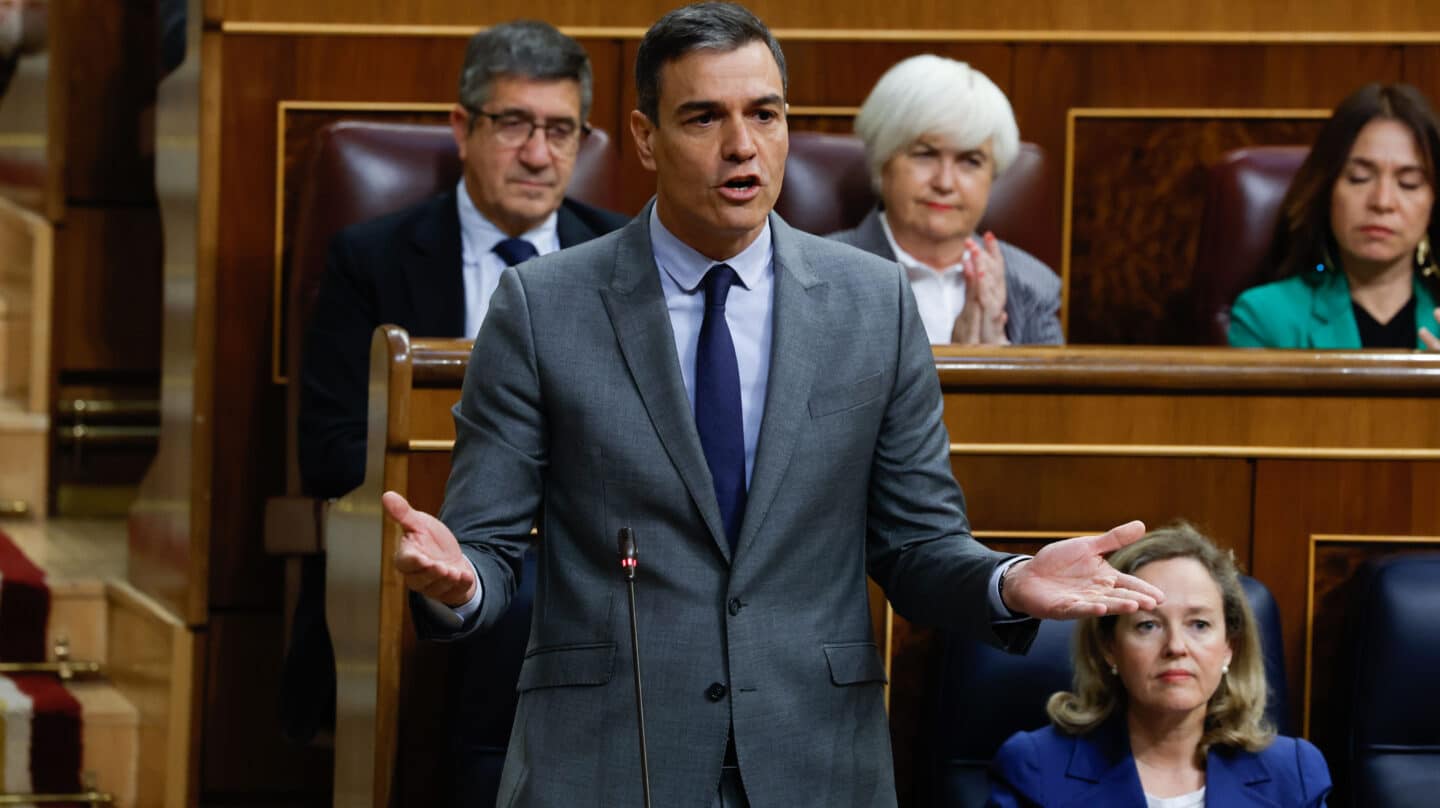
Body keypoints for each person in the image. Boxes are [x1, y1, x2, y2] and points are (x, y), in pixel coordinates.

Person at [384, 4, 1164, 806]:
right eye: (703, 117)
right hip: (609, 754)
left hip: (815, 756)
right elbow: (486, 546)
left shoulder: (872, 303)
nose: (742, 145)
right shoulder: (543, 305)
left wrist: (1008, 580)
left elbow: (916, 542)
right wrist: (460, 584)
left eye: (765, 113)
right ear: (645, 137)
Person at [285, 19, 628, 802]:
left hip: (597, 567)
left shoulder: (624, 260)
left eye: (559, 130)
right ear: (463, 128)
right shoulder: (370, 259)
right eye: (513, 125)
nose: (538, 155)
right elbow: (334, 450)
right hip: (417, 563)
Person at [989, 524, 1332, 807]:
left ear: (1230, 646)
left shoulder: (1295, 773)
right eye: (1148, 625)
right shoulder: (1036, 767)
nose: (1176, 647)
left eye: (1199, 624)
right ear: (1110, 647)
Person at [829, 54, 1062, 346]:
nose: (945, 182)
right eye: (925, 154)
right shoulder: (819, 275)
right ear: (882, 161)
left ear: (993, 174)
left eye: (971, 161)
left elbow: (1056, 393)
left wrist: (1004, 365)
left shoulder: (1031, 285)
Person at [1229, 83, 1440, 349]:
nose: (1382, 202)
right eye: (1359, 178)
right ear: (1326, 188)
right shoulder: (1266, 317)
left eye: (1409, 182)